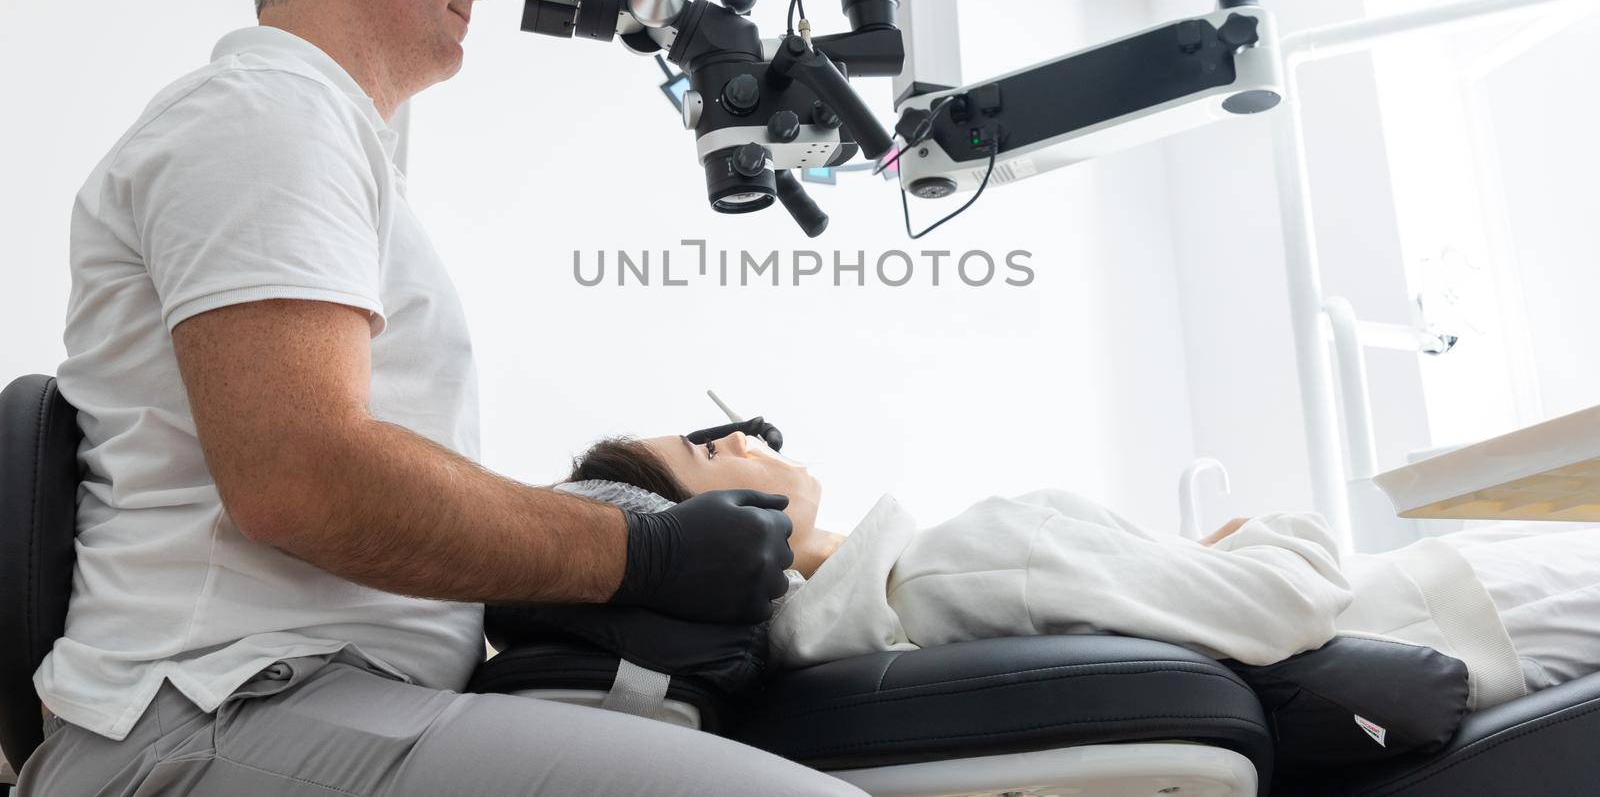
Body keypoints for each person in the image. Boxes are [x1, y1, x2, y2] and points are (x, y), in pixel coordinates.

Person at [19, 0, 862, 797]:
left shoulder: (321, 139)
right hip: (212, 710)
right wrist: (643, 549)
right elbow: (301, 475)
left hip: (318, 695)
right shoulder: (267, 114)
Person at [565, 429, 1600, 713]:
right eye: (712, 444)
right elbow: (1280, 597)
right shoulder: (956, 564)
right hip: (1476, 609)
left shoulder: (863, 636)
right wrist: (1269, 528)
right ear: (720, 530)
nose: (746, 431)